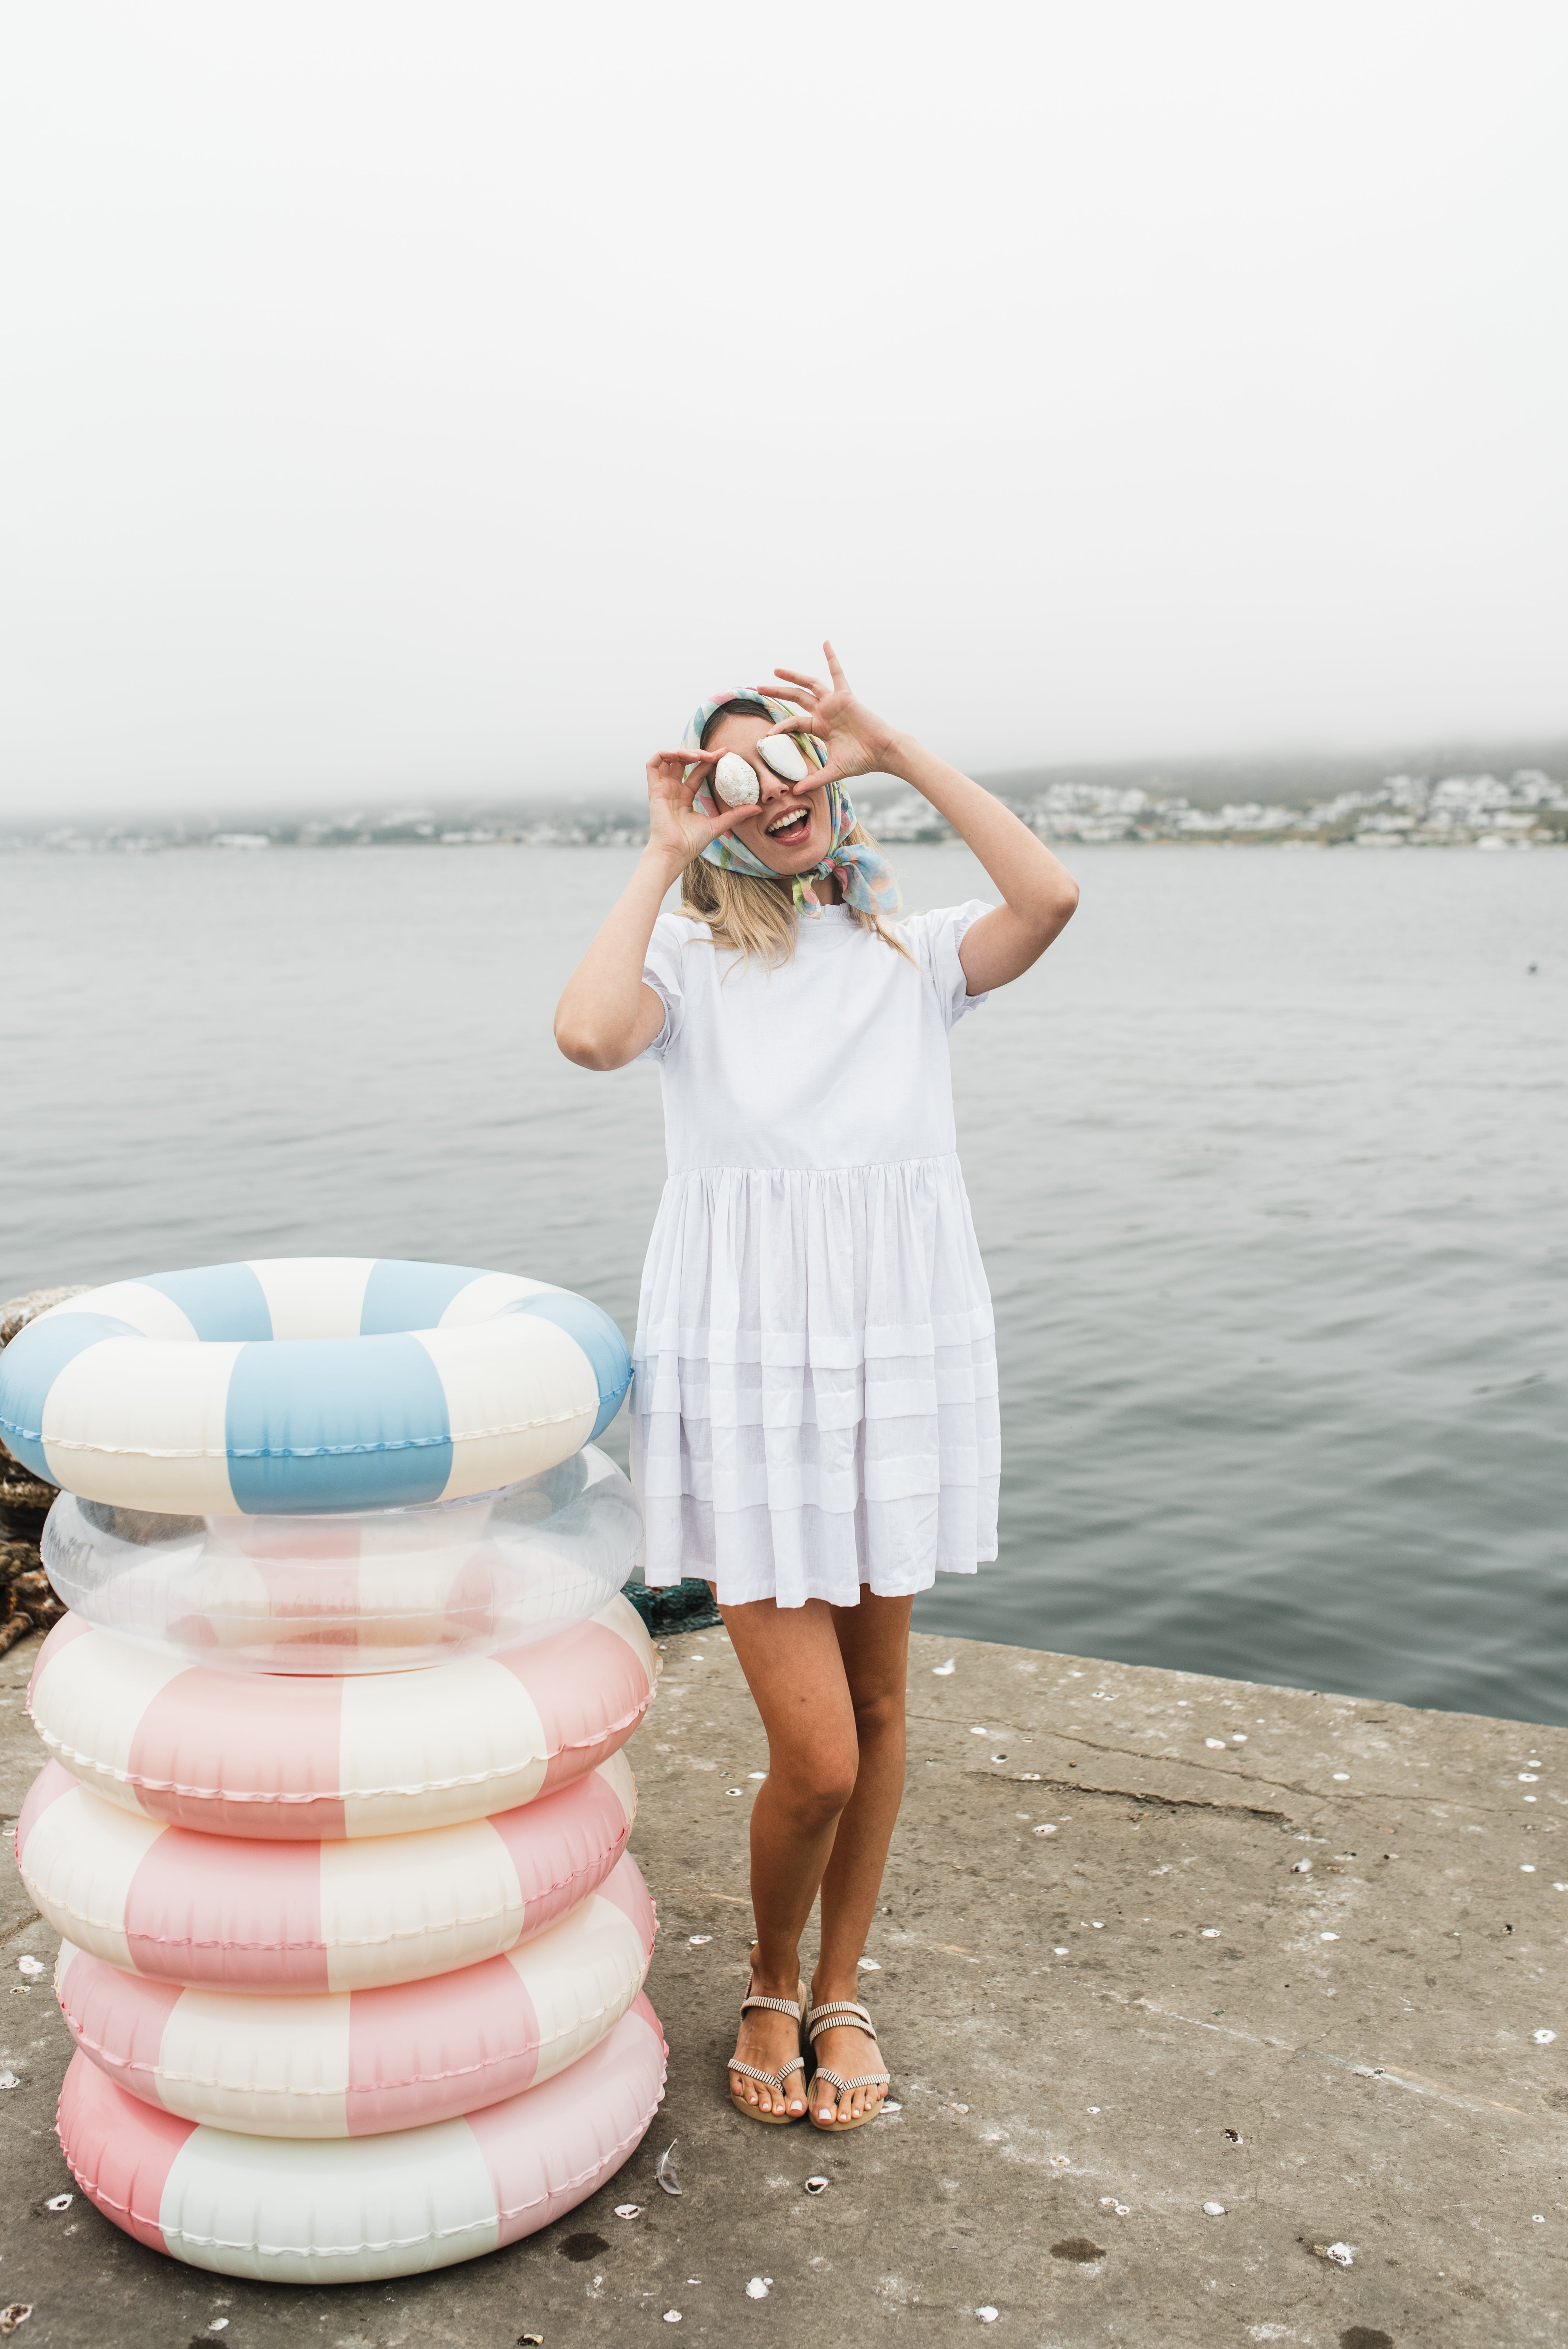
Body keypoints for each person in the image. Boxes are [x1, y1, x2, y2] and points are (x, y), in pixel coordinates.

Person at [554, 645, 1078, 2131]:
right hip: (747, 1376)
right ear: (711, 809)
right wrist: (665, 850)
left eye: (796, 763)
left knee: (884, 1707)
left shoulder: (911, 958)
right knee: (820, 1749)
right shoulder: (689, 971)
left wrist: (895, 746)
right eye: (740, 777)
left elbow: (1053, 900)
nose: (777, 791)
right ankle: (769, 1972)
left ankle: (835, 1987)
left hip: (894, 1358)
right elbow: (588, 1036)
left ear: (830, 784)